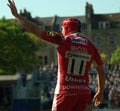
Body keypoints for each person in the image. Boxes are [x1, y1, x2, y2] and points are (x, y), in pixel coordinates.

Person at [7, 0, 106, 111]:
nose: (62, 31)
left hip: (65, 93)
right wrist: (100, 92)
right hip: (84, 93)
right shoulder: (91, 46)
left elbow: (36, 29)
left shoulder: (62, 39)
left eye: (62, 29)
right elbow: (101, 72)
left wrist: (17, 16)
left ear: (66, 28)